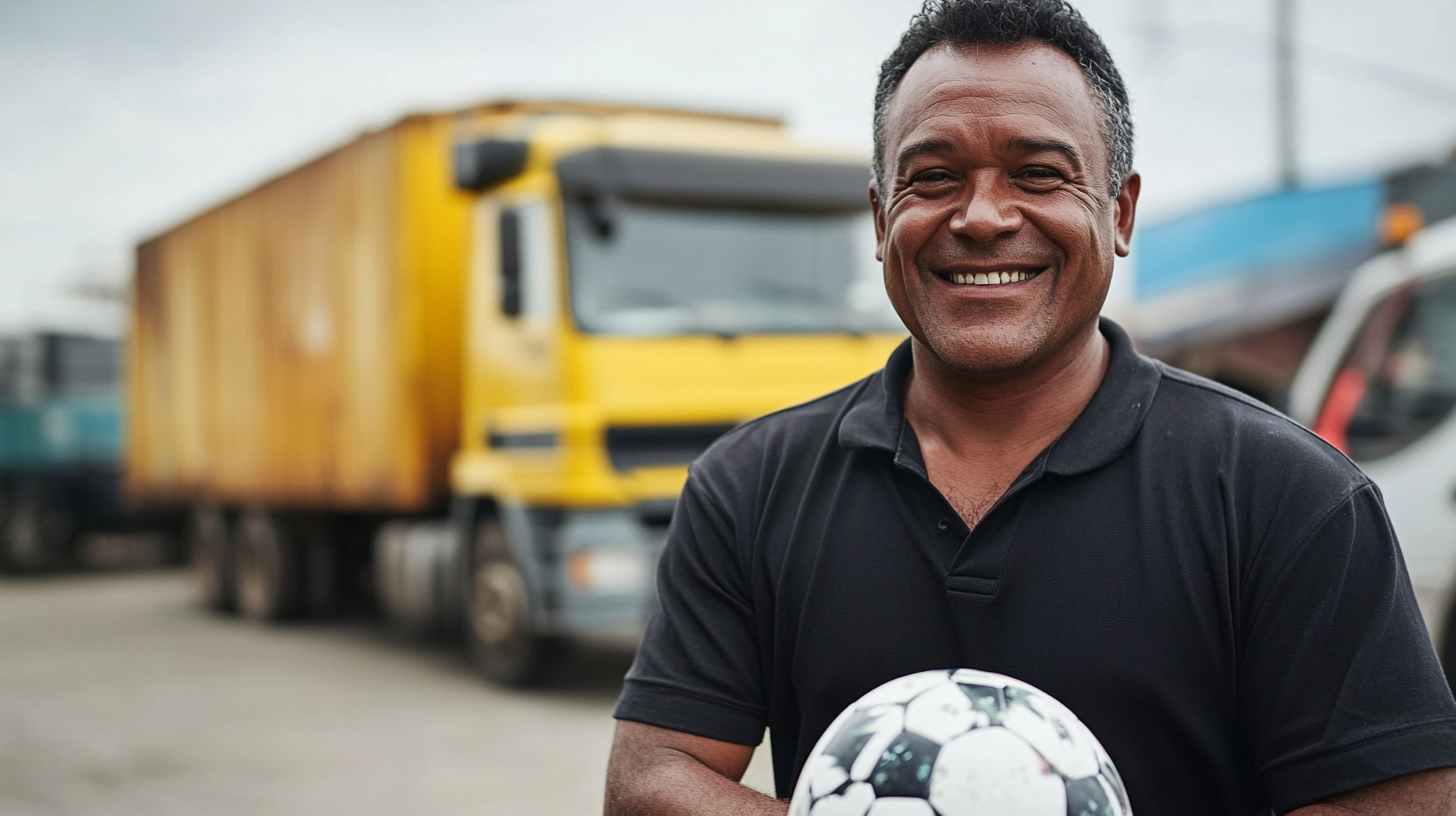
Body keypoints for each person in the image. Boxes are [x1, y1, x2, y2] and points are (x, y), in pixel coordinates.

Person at [603, 1, 1456, 813]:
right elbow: (651, 781)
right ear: (879, 217)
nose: (981, 217)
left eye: (1038, 174)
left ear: (1118, 212)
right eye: (933, 178)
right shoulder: (749, 486)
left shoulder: (1291, 496)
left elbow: (1401, 803)